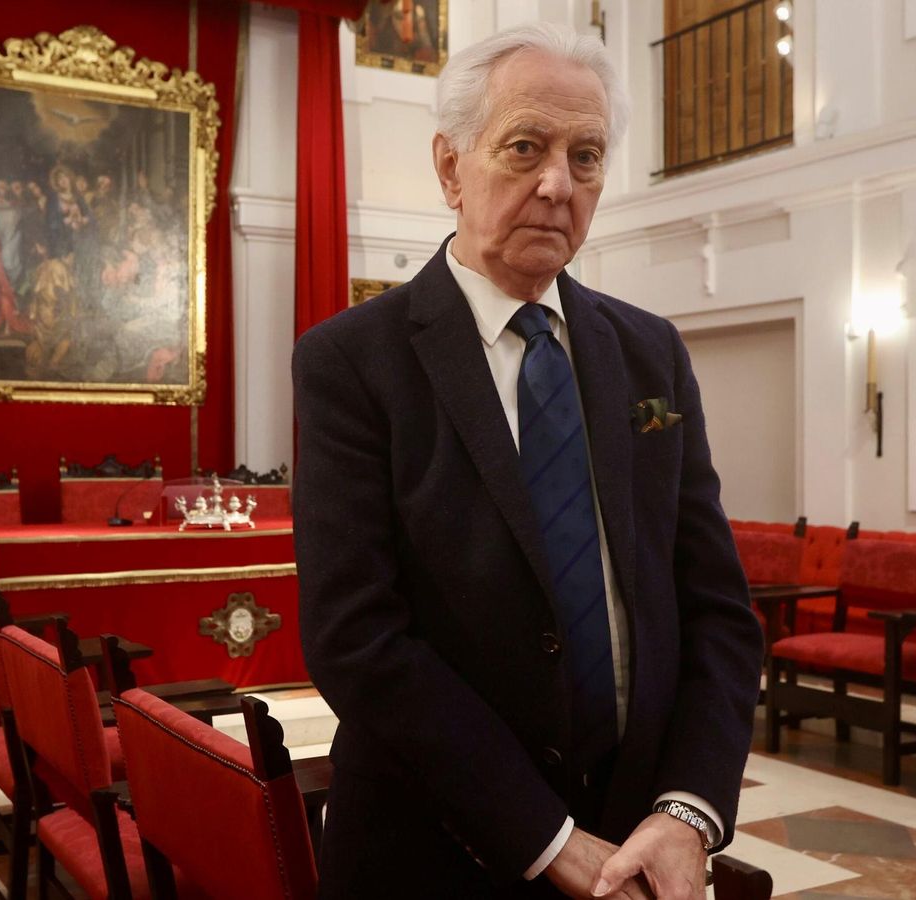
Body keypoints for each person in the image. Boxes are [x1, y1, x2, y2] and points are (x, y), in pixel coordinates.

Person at [292, 23, 761, 900]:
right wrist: (548, 841)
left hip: (636, 848)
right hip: (432, 851)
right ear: (449, 167)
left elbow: (715, 610)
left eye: (586, 157)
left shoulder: (650, 352)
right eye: (525, 147)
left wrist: (688, 811)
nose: (557, 183)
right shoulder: (353, 360)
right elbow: (357, 637)